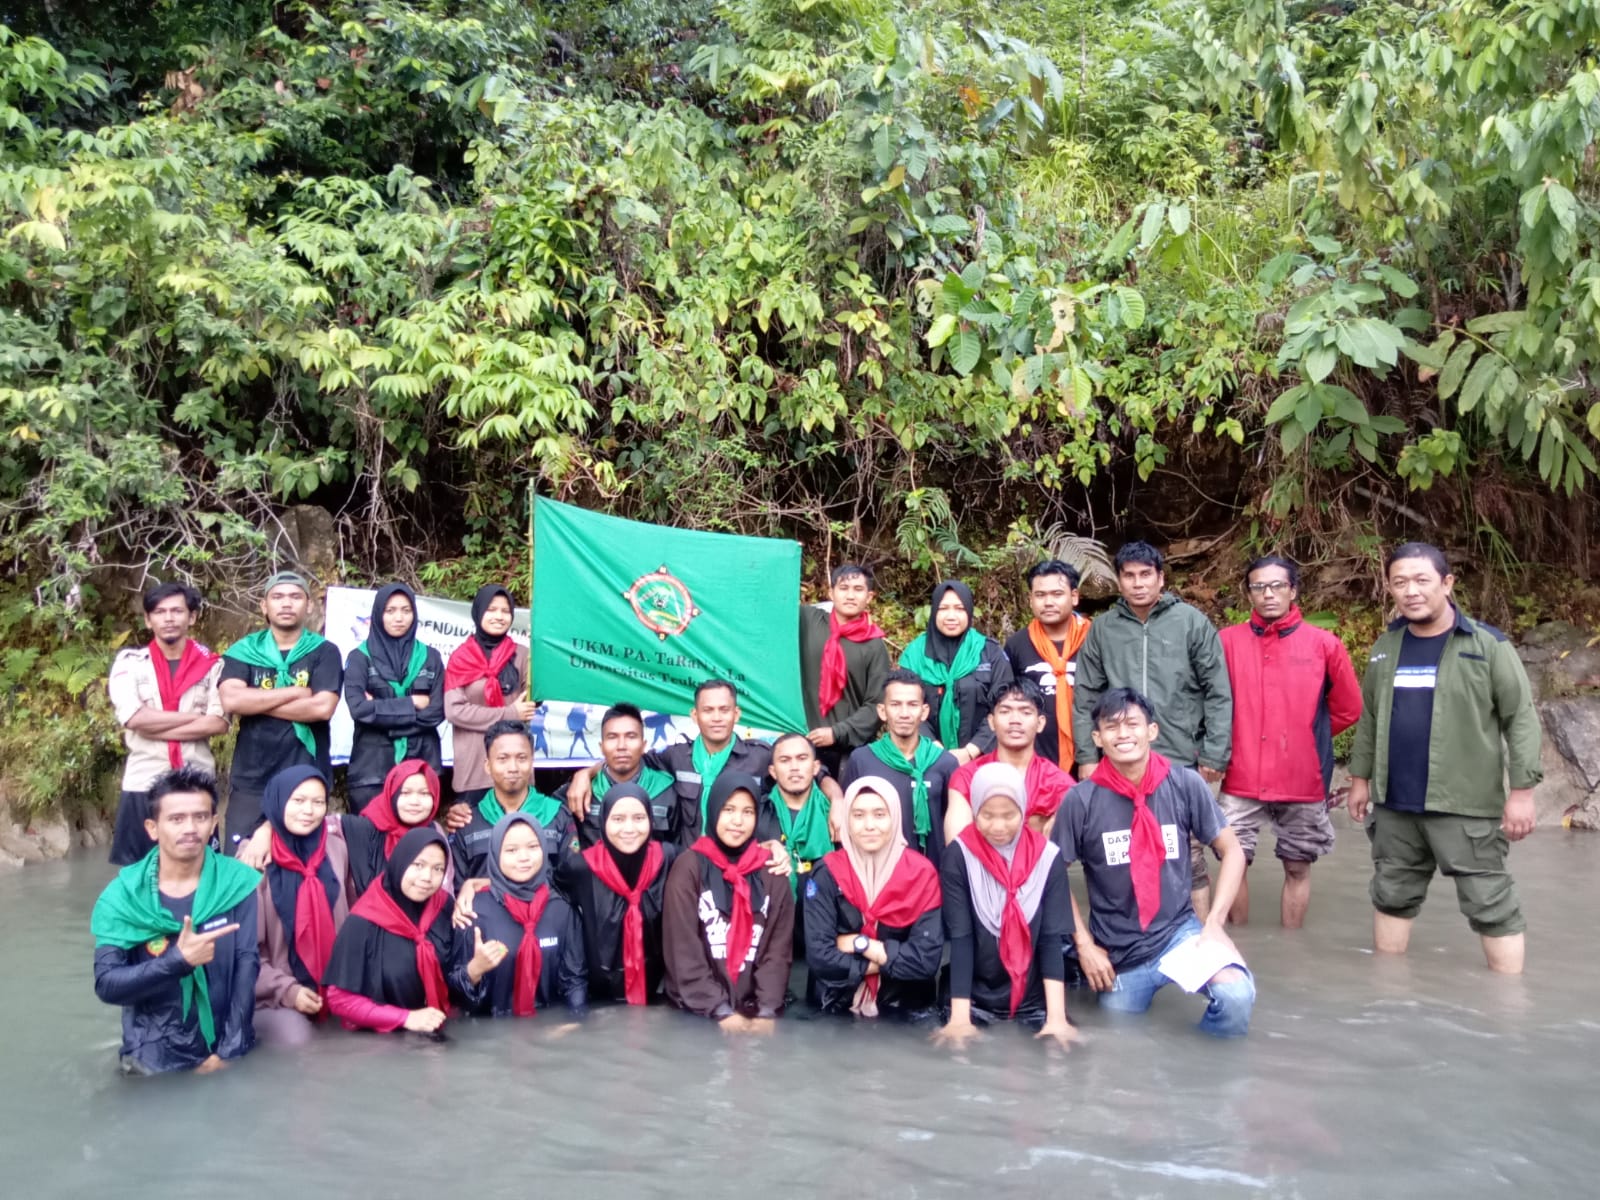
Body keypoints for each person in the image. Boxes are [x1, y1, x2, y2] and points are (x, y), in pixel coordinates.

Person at [1347, 543, 1542, 974]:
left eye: (1422, 580)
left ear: (1447, 583)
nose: (1411, 591)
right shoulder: (1386, 647)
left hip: (1464, 804)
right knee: (1391, 893)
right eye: (1400, 582)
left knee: (1490, 901)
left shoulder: (1487, 646)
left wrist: (1522, 793)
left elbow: (1521, 719)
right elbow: (1371, 717)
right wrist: (1360, 780)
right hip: (1396, 804)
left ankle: (1509, 1006)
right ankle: (1387, 993)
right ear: (1390, 588)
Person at [1054, 689, 1255, 1037]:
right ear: (1097, 738)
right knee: (1118, 1041)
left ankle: (1205, 1074)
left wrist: (1215, 923)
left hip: (1180, 935)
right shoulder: (1080, 800)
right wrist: (1085, 946)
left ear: (1152, 731)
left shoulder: (1184, 784)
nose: (1124, 734)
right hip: (1117, 953)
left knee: (1236, 995)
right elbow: (1051, 875)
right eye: (1112, 727)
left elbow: (1233, 851)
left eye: (1133, 723)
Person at [1070, 542, 1232, 915]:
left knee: (1187, 855)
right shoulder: (1104, 630)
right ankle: (1130, 932)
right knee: (1120, 849)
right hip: (1118, 757)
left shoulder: (1191, 622)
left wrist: (1214, 752)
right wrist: (1086, 757)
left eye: (1146, 575)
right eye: (1129, 575)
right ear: (1119, 580)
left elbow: (1218, 691)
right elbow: (1086, 696)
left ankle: (1197, 940)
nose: (1138, 583)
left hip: (1178, 757)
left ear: (1161, 578)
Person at [1219, 556, 1362, 927]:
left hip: (1303, 776)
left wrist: (1301, 737)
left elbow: (1348, 707)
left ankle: (1291, 944)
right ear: (1248, 593)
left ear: (1293, 590)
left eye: (1277, 586)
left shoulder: (1324, 644)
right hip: (1241, 774)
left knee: (1298, 864)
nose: (1268, 594)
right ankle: (1238, 946)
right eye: (1258, 587)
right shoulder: (1226, 643)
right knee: (1233, 860)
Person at [91, 767, 261, 1074]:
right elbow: (107, 985)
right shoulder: (124, 896)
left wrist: (227, 1053)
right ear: (152, 828)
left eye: (200, 817)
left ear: (214, 824)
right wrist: (177, 961)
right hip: (150, 1056)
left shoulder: (237, 883)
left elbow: (246, 966)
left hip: (225, 1046)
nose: (190, 828)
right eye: (176, 819)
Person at [934, 763, 1077, 1048]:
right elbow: (961, 939)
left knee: (1061, 1052)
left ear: (1023, 811)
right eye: (987, 815)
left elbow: (1050, 941)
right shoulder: (958, 856)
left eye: (1009, 815)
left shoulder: (1048, 857)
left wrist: (1057, 1018)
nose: (998, 827)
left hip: (1033, 995)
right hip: (972, 995)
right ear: (974, 810)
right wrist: (960, 1020)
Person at [564, 679, 774, 847]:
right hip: (690, 872)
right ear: (695, 715)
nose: (716, 717)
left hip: (741, 868)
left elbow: (794, 776)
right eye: (708, 710)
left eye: (724, 710)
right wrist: (586, 774)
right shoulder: (676, 757)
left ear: (736, 714)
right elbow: (627, 757)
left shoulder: (761, 758)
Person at [106, 582, 228, 866]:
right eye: (160, 612)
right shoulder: (130, 664)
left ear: (192, 617)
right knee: (136, 874)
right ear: (148, 620)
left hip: (196, 782)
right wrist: (195, 720)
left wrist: (154, 723)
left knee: (203, 869)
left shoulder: (212, 666)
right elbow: (134, 718)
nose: (169, 618)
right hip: (144, 782)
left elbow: (218, 723)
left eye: (177, 611)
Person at [218, 571, 343, 847]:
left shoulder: (324, 652)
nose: (286, 603)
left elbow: (322, 708)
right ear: (264, 606)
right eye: (278, 597)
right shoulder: (243, 651)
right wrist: (294, 693)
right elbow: (232, 701)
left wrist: (256, 702)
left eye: (295, 597)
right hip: (252, 776)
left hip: (306, 775)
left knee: (301, 864)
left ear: (309, 605)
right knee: (242, 863)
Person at [662, 774, 795, 1030]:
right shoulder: (688, 868)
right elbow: (683, 951)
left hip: (754, 1010)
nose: (738, 821)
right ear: (713, 811)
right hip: (694, 1013)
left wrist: (766, 1011)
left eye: (748, 811)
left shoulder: (771, 870)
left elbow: (777, 953)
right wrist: (720, 1010)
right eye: (728, 809)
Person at [804, 777, 943, 1021]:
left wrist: (862, 944)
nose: (869, 825)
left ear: (896, 818)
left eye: (880, 814)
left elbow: (926, 962)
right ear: (846, 820)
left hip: (905, 1007)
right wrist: (892, 960)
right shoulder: (826, 873)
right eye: (858, 815)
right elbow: (820, 958)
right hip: (834, 1004)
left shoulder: (921, 873)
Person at [237, 757, 450, 897]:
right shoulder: (358, 828)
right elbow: (307, 820)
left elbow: (445, 890)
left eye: (424, 794)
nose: (415, 801)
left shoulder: (434, 833)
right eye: (405, 793)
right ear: (391, 793)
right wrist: (266, 830)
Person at [253, 765, 354, 1047]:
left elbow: (354, 920)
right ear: (277, 801)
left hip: (334, 983)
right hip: (272, 994)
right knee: (300, 1043)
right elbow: (243, 955)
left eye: (318, 801)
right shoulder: (253, 860)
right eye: (297, 801)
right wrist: (288, 991)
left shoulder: (336, 848)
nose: (308, 810)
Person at [322, 827, 459, 1034]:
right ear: (399, 863)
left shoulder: (444, 907)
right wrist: (406, 1018)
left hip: (437, 1027)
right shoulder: (363, 920)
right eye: (418, 865)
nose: (427, 877)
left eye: (438, 869)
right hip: (382, 1042)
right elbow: (340, 1000)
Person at [452, 813, 587, 1019]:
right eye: (511, 850)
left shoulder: (561, 908)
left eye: (533, 847)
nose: (524, 857)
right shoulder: (472, 910)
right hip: (492, 1036)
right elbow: (454, 997)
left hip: (548, 1030)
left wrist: (574, 1022)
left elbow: (574, 981)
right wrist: (474, 970)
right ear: (496, 854)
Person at [559, 784, 680, 1005]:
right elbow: (545, 893)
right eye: (618, 819)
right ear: (603, 821)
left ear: (651, 821)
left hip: (657, 996)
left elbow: (708, 865)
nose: (629, 828)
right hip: (598, 1000)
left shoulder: (667, 858)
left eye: (638, 818)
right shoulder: (581, 868)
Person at [840, 668, 958, 867]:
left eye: (912, 705)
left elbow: (954, 824)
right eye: (895, 704)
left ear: (924, 711)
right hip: (878, 873)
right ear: (882, 711)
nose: (904, 713)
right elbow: (849, 821)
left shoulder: (944, 763)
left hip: (935, 875)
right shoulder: (862, 760)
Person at [342, 583, 445, 811]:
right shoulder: (360, 658)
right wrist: (412, 704)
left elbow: (436, 712)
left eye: (406, 610)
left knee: (418, 843)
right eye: (390, 611)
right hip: (372, 772)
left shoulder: (431, 658)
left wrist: (380, 713)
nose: (399, 618)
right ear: (378, 614)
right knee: (372, 840)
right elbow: (358, 709)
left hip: (423, 766)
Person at [898, 580, 1014, 764]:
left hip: (984, 758)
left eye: (959, 609)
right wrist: (935, 750)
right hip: (924, 756)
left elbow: (1004, 705)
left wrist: (971, 751)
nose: (951, 616)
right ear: (934, 611)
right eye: (943, 608)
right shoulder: (914, 655)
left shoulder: (989, 652)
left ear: (969, 611)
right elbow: (904, 705)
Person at [945, 679, 1075, 841]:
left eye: (1026, 712)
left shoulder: (1060, 784)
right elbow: (957, 848)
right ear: (991, 722)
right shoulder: (966, 777)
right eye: (1005, 711)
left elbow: (1061, 854)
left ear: (1040, 723)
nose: (1015, 720)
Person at [443, 585, 535, 811]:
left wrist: (540, 652)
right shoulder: (461, 658)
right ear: (478, 612)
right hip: (474, 767)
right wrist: (509, 713)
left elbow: (534, 699)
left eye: (505, 611)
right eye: (492, 610)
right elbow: (455, 711)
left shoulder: (523, 655)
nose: (499, 617)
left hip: (514, 766)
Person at [451, 721, 580, 883]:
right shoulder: (468, 822)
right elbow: (459, 887)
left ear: (532, 762)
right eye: (503, 759)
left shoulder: (557, 816)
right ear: (488, 766)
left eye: (521, 758)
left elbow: (572, 880)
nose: (513, 767)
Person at [799, 564, 893, 771]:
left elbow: (876, 705)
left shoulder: (874, 645)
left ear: (869, 597)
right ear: (831, 592)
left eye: (858, 589)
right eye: (843, 588)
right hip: (800, 746)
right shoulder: (807, 621)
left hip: (849, 753)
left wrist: (836, 732)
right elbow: (768, 607)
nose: (850, 595)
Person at [1004, 560, 1092, 766]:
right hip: (1034, 757)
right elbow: (1006, 699)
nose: (1048, 602)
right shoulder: (1017, 644)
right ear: (1030, 599)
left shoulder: (1096, 639)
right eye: (1040, 595)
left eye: (1057, 594)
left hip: (1091, 756)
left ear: (1074, 596)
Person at [554, 703, 677, 848]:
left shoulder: (667, 791)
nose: (621, 746)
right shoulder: (578, 793)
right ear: (601, 747)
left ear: (644, 745)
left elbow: (677, 848)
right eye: (612, 737)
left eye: (631, 736)